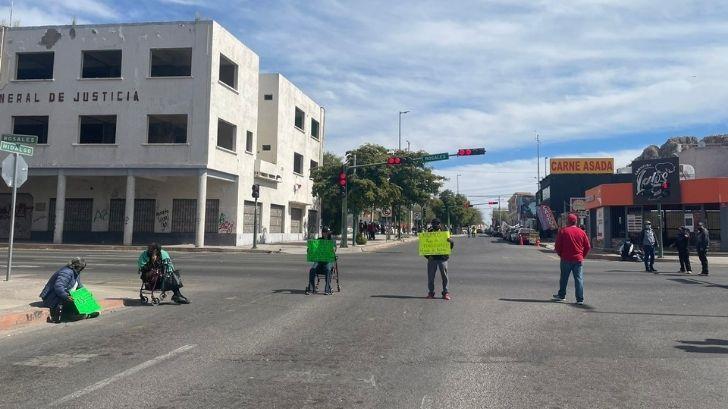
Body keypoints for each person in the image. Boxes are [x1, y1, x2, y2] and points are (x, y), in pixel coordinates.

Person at [40, 257, 99, 323]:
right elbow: (58, 287)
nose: (82, 269)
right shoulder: (66, 272)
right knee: (72, 302)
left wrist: (86, 293)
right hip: (52, 297)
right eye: (82, 268)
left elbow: (79, 285)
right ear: (77, 266)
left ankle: (87, 312)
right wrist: (66, 296)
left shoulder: (76, 272)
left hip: (62, 295)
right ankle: (74, 315)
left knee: (81, 297)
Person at [552, 213, 591, 305]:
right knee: (579, 279)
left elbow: (557, 246)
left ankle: (562, 296)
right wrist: (582, 256)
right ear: (576, 221)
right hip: (578, 259)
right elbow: (588, 246)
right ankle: (580, 299)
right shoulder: (582, 232)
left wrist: (560, 254)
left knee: (564, 278)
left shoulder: (563, 231)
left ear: (567, 221)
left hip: (566, 258)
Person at [425, 218, 454, 300]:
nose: (435, 225)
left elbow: (450, 246)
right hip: (432, 258)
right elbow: (424, 246)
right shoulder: (429, 232)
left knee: (445, 276)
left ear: (440, 224)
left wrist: (451, 242)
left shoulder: (445, 232)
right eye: (434, 224)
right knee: (430, 277)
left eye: (437, 224)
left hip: (442, 258)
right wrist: (427, 256)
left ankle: (446, 293)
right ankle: (431, 293)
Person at [306, 226, 336, 295]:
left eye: (328, 233)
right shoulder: (318, 240)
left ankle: (327, 289)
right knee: (312, 269)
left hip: (328, 261)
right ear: (323, 233)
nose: (328, 234)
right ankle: (311, 288)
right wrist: (309, 249)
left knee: (328, 269)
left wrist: (333, 250)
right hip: (319, 261)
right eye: (326, 233)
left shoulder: (332, 241)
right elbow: (313, 249)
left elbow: (334, 249)